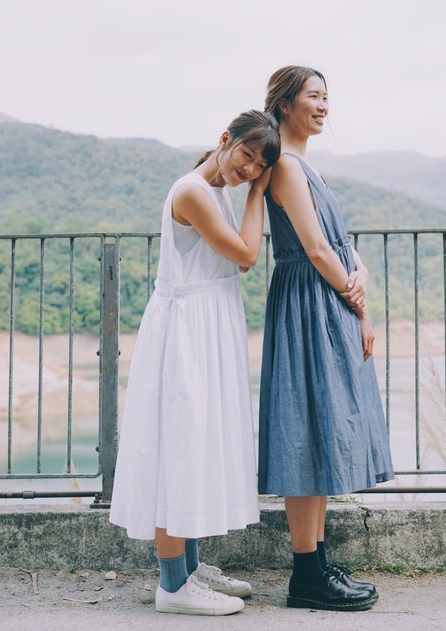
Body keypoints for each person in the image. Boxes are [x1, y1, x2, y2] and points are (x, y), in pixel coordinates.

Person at [109, 110, 280, 616]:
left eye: (259, 165)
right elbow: (247, 255)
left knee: (197, 443)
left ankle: (188, 568)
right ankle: (172, 587)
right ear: (224, 141)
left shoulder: (216, 189)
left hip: (206, 326)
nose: (249, 169)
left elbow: (232, 263)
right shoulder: (192, 191)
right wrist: (258, 193)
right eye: (246, 156)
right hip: (186, 333)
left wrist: (244, 188)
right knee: (179, 447)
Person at [258, 66, 394, 612]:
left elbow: (339, 244)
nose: (323, 107)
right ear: (286, 105)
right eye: (314, 97)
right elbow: (317, 250)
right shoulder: (286, 167)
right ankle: (306, 574)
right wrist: (356, 300)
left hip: (324, 298)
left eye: (326, 98)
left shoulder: (304, 166)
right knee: (304, 432)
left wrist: (359, 278)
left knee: (317, 432)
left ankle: (314, 565)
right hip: (310, 302)